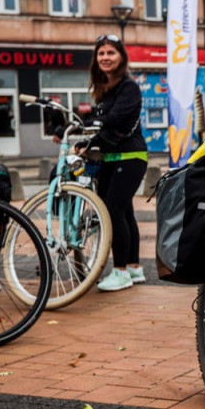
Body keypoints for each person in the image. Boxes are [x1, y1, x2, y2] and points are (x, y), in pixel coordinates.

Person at [78, 35, 148, 292]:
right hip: (112, 157)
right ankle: (133, 267)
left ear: (121, 57)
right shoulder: (104, 89)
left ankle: (119, 272)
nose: (105, 57)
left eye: (111, 53)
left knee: (113, 212)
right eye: (101, 54)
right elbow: (106, 122)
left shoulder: (128, 87)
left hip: (130, 157)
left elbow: (116, 117)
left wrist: (90, 126)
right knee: (125, 212)